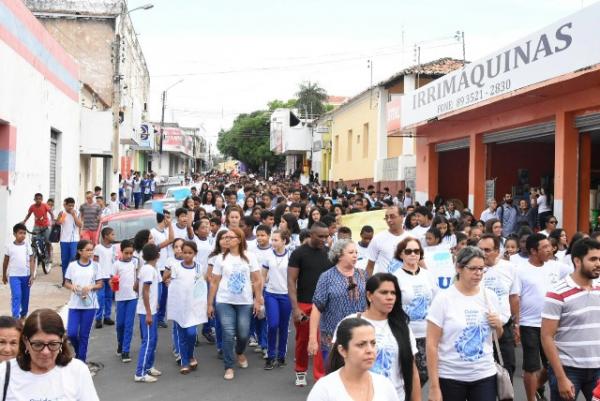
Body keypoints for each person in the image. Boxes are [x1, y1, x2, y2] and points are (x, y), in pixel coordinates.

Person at [426, 246, 503, 401]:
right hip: (450, 376)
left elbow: (495, 337)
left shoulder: (490, 297)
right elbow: (431, 344)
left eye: (482, 269)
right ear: (459, 268)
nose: (478, 273)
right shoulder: (443, 299)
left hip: (484, 374)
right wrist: (434, 387)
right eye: (473, 268)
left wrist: (499, 326)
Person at [336, 274, 422, 400]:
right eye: (384, 292)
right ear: (369, 295)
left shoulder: (402, 328)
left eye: (393, 293)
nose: (390, 297)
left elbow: (412, 370)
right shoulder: (350, 322)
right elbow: (336, 365)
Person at [514, 233, 572, 401]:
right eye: (545, 247)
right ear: (533, 251)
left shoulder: (556, 266)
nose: (549, 250)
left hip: (552, 323)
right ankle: (531, 398)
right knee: (531, 366)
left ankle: (538, 385)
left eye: (550, 246)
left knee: (554, 364)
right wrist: (516, 324)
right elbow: (516, 298)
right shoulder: (520, 270)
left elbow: (576, 274)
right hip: (529, 324)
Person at [541, 238, 600, 401]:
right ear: (577, 261)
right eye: (593, 259)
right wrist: (560, 378)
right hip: (567, 369)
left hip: (598, 370)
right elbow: (546, 337)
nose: (598, 263)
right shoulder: (557, 292)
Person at [207, 228, 263, 380]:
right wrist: (210, 303)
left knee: (244, 334)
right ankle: (229, 366)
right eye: (225, 237)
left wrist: (258, 300)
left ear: (239, 239)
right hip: (224, 301)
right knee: (228, 333)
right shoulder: (220, 258)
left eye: (230, 237)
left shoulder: (250, 257)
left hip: (245, 302)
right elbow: (214, 282)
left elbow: (257, 279)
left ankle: (239, 352)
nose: (227, 239)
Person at [6, 308, 99, 401]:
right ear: (25, 341)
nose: (45, 352)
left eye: (53, 344)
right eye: (38, 345)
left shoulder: (77, 371)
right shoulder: (5, 373)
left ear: (62, 340)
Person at [307, 318, 400, 401]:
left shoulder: (384, 385)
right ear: (342, 350)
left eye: (373, 343)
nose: (370, 350)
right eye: (361, 344)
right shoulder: (325, 389)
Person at [308, 239, 367, 367]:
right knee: (335, 375)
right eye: (351, 252)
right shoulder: (327, 277)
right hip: (332, 337)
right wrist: (312, 338)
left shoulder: (363, 275)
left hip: (360, 334)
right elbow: (317, 307)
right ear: (339, 255)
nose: (355, 255)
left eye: (356, 252)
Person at [287, 222, 330, 386]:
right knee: (303, 340)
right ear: (311, 235)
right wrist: (295, 307)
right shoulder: (299, 253)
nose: (324, 240)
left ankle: (320, 377)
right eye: (320, 236)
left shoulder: (329, 253)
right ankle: (300, 370)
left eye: (326, 236)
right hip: (304, 303)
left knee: (322, 340)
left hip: (324, 305)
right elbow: (291, 281)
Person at [391, 237, 436, 387]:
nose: (412, 254)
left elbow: (436, 302)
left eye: (416, 251)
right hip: (405, 333)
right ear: (401, 254)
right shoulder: (395, 277)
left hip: (427, 333)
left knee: (424, 372)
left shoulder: (428, 275)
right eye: (408, 251)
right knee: (406, 375)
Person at [478, 233, 519, 382]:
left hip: (504, 326)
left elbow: (514, 297)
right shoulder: (474, 269)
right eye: (480, 249)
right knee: (482, 372)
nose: (483, 253)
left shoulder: (510, 268)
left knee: (507, 369)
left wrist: (516, 324)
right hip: (480, 327)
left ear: (497, 251)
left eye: (487, 250)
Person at [164, 241, 207, 374]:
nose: (187, 255)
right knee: (182, 335)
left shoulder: (199, 267)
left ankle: (190, 355)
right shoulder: (176, 267)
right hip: (180, 307)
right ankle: (185, 362)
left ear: (195, 254)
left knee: (191, 334)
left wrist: (202, 305)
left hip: (193, 307)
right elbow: (167, 280)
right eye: (185, 252)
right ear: (180, 252)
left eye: (190, 253)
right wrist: (168, 277)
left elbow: (201, 287)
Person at [64, 240, 102, 362]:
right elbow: (66, 282)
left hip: (90, 305)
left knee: (84, 335)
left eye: (92, 250)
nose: (90, 252)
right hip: (75, 304)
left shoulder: (96, 266)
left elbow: (100, 284)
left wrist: (90, 287)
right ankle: (79, 352)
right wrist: (72, 287)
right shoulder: (72, 266)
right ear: (80, 251)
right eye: (88, 250)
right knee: (72, 333)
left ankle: (81, 361)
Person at [262, 230, 292, 370]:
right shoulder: (268, 256)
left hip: (286, 295)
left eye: (276, 240)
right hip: (271, 294)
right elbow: (262, 276)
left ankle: (281, 355)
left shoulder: (291, 256)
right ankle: (270, 355)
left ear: (284, 241)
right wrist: (259, 295)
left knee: (284, 326)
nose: (273, 242)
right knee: (272, 324)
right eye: (272, 240)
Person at [134, 243, 162, 383]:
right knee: (148, 341)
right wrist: (149, 312)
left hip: (149, 309)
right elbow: (145, 291)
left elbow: (136, 286)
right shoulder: (149, 270)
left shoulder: (146, 268)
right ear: (157, 255)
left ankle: (149, 366)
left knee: (153, 339)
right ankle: (140, 373)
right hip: (147, 311)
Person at [111, 239, 137, 363]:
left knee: (128, 325)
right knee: (120, 324)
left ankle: (126, 350)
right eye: (126, 253)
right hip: (120, 298)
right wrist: (113, 284)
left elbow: (138, 278)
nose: (129, 256)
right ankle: (120, 344)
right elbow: (112, 280)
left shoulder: (135, 263)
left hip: (132, 297)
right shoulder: (116, 264)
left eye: (131, 253)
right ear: (121, 252)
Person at [3, 223, 34, 320]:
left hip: (26, 276)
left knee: (25, 298)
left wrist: (32, 275)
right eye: (20, 233)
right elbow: (5, 261)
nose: (23, 235)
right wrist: (4, 275)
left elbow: (31, 259)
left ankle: (23, 315)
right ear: (14, 234)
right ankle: (15, 317)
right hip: (14, 276)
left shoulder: (27, 245)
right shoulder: (9, 246)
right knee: (16, 296)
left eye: (24, 233)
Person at [366, 206, 407, 276]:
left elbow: (419, 263)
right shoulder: (378, 238)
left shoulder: (412, 238)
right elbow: (370, 266)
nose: (389, 220)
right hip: (384, 284)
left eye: (392, 217)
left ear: (402, 217)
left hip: (406, 284)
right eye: (386, 217)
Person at [151, 212, 174, 328]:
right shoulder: (153, 232)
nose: (170, 220)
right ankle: (155, 316)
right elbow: (170, 240)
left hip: (166, 266)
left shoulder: (165, 231)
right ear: (164, 219)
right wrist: (170, 225)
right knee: (157, 295)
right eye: (168, 218)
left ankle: (160, 317)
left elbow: (172, 240)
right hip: (158, 267)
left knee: (164, 294)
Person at [93, 227, 116, 329]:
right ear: (106, 236)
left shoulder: (113, 248)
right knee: (100, 297)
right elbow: (95, 261)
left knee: (109, 297)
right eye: (112, 234)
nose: (113, 236)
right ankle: (98, 318)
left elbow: (114, 261)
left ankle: (107, 316)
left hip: (110, 276)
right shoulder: (98, 248)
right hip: (101, 277)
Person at [57, 198, 83, 284]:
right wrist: (59, 217)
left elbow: (80, 225)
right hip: (64, 240)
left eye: (72, 205)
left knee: (73, 258)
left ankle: (73, 278)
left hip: (74, 240)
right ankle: (65, 280)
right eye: (69, 205)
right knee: (64, 260)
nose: (71, 207)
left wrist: (74, 215)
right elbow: (58, 223)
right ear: (65, 205)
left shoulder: (77, 213)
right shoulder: (63, 213)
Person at [22, 193, 54, 259]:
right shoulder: (32, 207)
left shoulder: (45, 205)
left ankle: (49, 255)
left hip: (45, 226)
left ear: (42, 199)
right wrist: (24, 221)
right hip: (37, 226)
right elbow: (28, 215)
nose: (38, 200)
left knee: (48, 241)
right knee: (33, 240)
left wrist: (52, 221)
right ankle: (36, 254)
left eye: (40, 199)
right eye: (36, 199)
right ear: (34, 199)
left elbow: (51, 213)